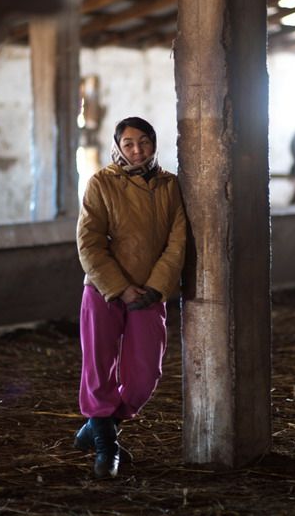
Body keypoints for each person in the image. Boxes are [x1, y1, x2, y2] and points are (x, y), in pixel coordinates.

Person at [73, 116, 187, 478]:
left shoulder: (170, 186)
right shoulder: (102, 183)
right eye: (129, 143)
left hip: (150, 292)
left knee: (144, 376)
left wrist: (155, 287)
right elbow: (89, 242)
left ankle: (97, 426)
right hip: (104, 290)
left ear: (154, 144)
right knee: (98, 368)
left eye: (144, 142)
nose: (137, 150)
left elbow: (178, 241)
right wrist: (120, 287)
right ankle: (107, 448)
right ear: (118, 147)